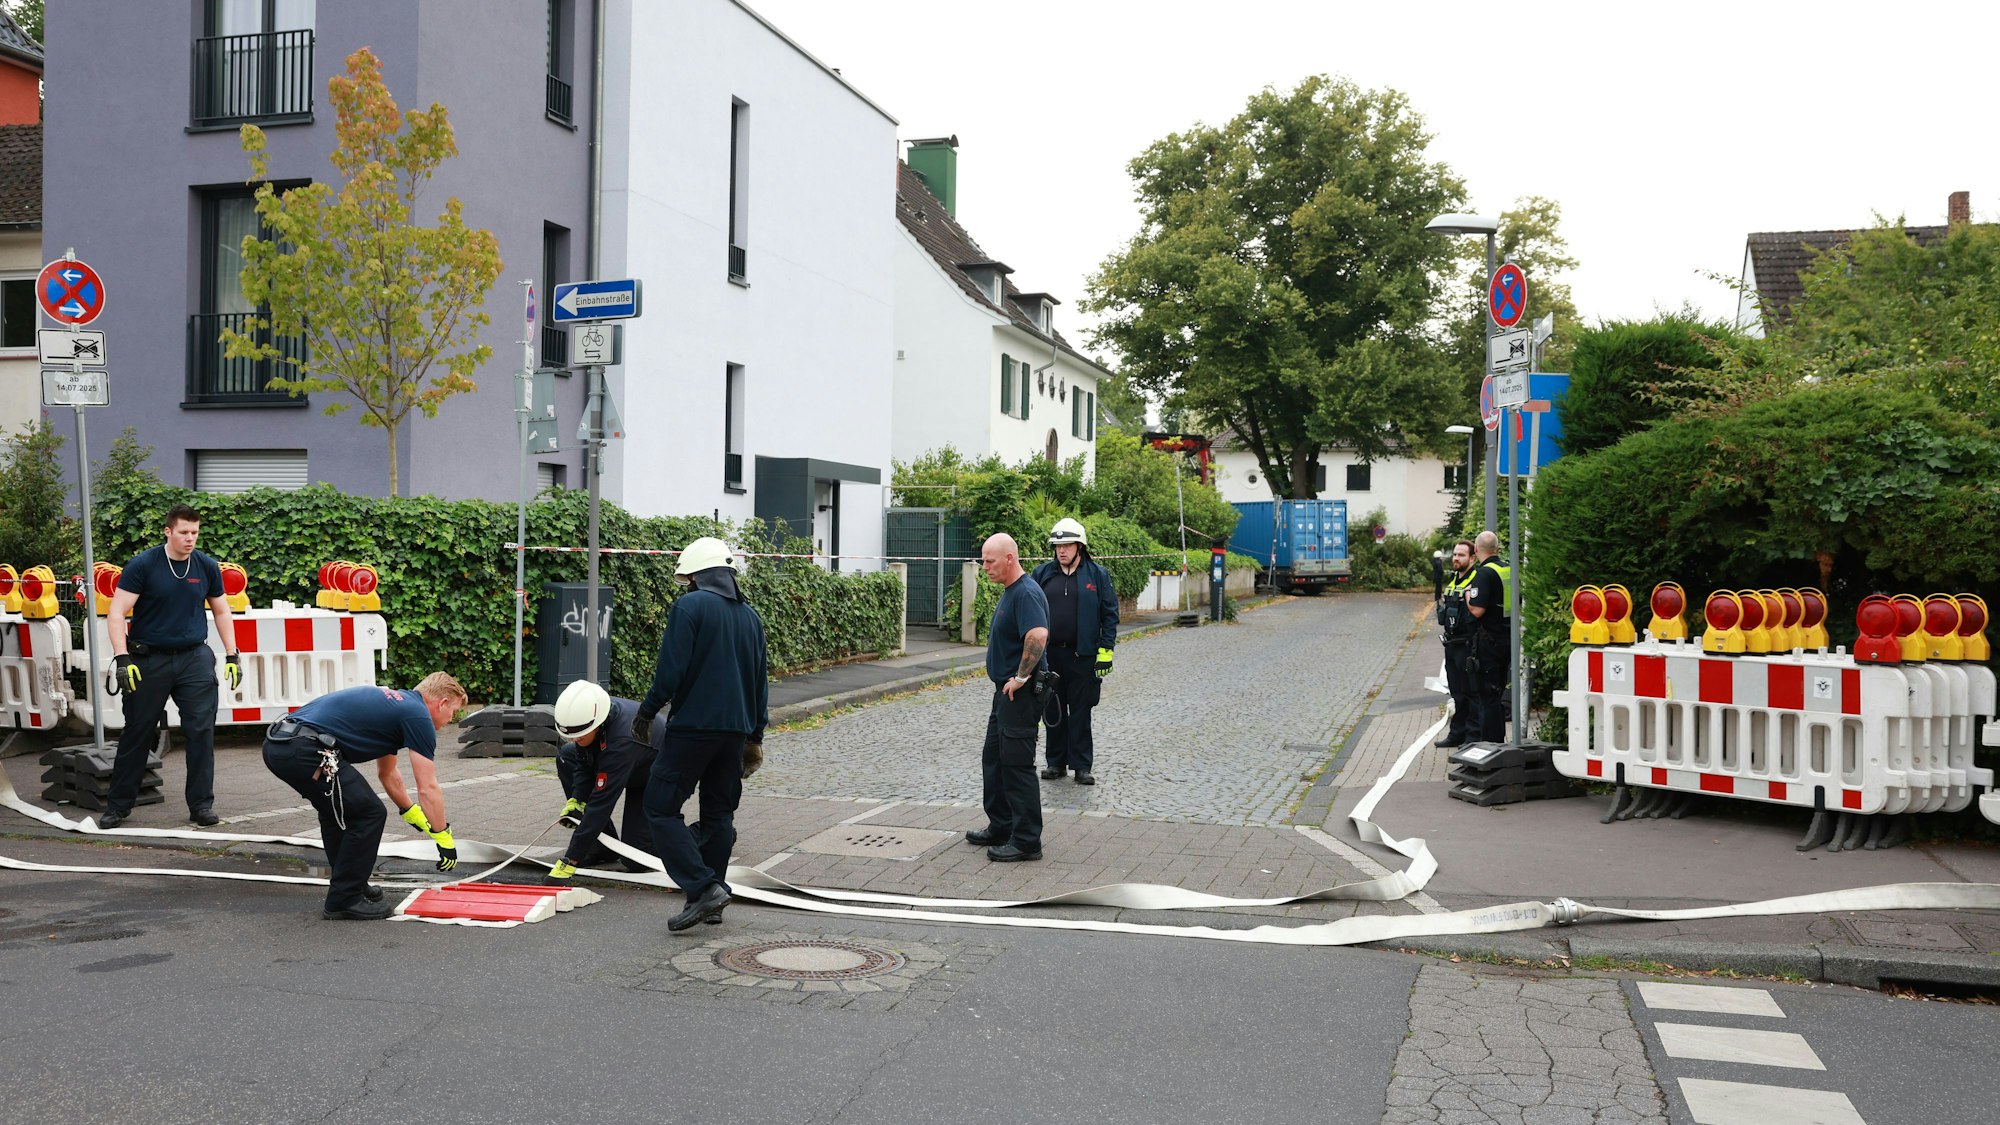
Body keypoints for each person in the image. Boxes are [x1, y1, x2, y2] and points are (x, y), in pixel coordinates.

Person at [635, 537, 769, 932]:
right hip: (735, 733)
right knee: (718, 813)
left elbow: (671, 671)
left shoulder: (689, 606)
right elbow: (760, 684)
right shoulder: (751, 617)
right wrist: (755, 735)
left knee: (660, 806)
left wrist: (646, 711)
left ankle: (704, 887)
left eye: (689, 578)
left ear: (697, 575)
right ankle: (712, 898)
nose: (688, 585)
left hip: (693, 728)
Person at [261, 674, 468, 920]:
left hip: (280, 744)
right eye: (454, 712)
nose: (451, 719)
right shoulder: (418, 715)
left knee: (338, 812)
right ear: (442, 703)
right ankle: (344, 899)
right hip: (305, 748)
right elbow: (428, 788)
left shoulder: (399, 706)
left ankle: (350, 884)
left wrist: (409, 810)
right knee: (369, 813)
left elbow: (388, 774)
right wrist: (442, 835)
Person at [100, 503, 241, 830]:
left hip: (194, 658)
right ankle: (118, 807)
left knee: (201, 732)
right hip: (148, 659)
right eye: (183, 533)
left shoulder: (205, 566)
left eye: (194, 532)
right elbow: (117, 612)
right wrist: (122, 658)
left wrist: (233, 654)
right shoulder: (143, 565)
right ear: (168, 531)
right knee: (138, 731)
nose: (190, 539)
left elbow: (222, 611)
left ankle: (201, 806)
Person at [964, 532, 1049, 862]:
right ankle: (1002, 825)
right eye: (983, 560)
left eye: (990, 560)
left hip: (1021, 695)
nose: (985, 566)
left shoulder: (1026, 593)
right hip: (1006, 695)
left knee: (1016, 766)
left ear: (1010, 558)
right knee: (995, 760)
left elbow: (1038, 635)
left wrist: (1020, 677)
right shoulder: (1012, 591)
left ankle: (1027, 840)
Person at [545, 678, 659, 887]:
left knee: (637, 859)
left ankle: (705, 835)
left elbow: (601, 805)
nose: (574, 740)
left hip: (655, 776)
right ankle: (601, 847)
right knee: (568, 754)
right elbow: (583, 762)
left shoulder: (621, 743)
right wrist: (576, 800)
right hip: (629, 764)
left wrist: (570, 861)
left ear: (596, 725)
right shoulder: (590, 714)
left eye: (579, 736)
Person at [1032, 517, 1117, 785]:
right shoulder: (1043, 574)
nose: (1061, 550)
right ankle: (1055, 763)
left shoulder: (1097, 575)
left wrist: (1106, 652)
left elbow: (1110, 615)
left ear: (1079, 546)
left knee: (1081, 711)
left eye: (1067, 545)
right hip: (1050, 656)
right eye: (1057, 546)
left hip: (1083, 657)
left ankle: (1081, 765)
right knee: (1053, 710)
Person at [1465, 530, 1513, 744]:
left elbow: (1477, 610)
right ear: (1497, 548)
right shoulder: (1508, 569)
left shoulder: (1483, 574)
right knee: (1498, 691)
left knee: (1487, 697)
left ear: (1476, 550)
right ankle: (1498, 742)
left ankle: (1490, 745)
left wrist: (1467, 595)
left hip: (1489, 643)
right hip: (1507, 639)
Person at [1435, 540, 1478, 748]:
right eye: (1454, 555)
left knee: (1469, 692)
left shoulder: (1475, 579)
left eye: (1461, 555)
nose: (1456, 558)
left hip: (1467, 644)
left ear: (1472, 558)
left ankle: (1471, 737)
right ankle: (1456, 734)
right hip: (1451, 644)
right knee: (1456, 693)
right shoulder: (1453, 580)